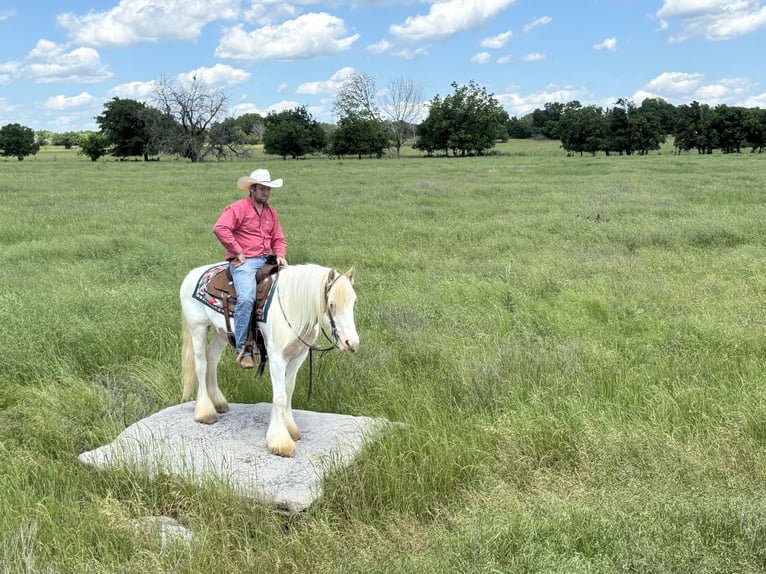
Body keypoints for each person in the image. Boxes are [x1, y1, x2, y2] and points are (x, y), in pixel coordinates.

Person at [213, 168, 288, 368]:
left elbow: (278, 238)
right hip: (245, 262)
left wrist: (280, 254)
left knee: (292, 288)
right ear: (252, 189)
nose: (266, 192)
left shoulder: (271, 213)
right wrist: (237, 251)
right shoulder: (237, 208)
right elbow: (220, 228)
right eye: (262, 188)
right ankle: (244, 349)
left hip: (267, 260)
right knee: (246, 299)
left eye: (268, 189)